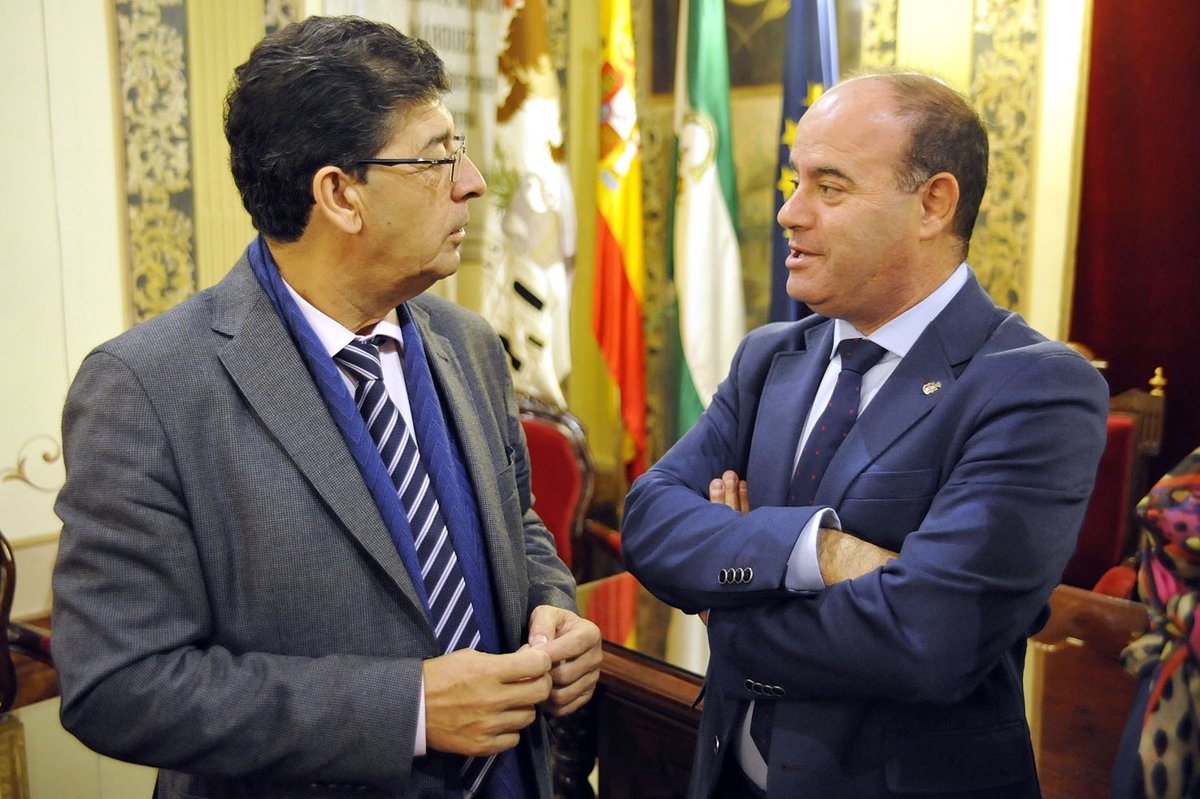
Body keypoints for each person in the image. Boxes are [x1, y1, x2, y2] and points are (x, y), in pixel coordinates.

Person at [51, 16, 600, 799]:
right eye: (439, 157)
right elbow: (118, 684)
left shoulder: (469, 342)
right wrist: (407, 710)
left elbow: (517, 526)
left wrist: (552, 608)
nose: (473, 181)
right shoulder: (146, 390)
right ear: (340, 194)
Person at [621, 71, 1110, 799]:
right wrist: (818, 551)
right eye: (796, 181)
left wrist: (728, 608)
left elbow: (932, 636)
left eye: (830, 187)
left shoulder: (1037, 387)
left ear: (933, 204)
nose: (789, 212)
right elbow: (649, 521)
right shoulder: (769, 358)